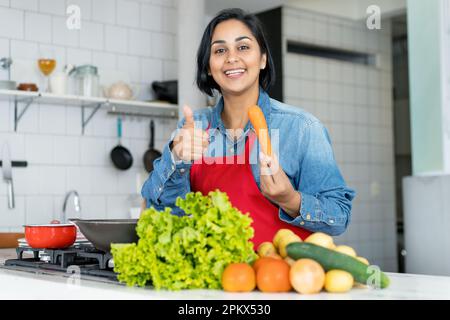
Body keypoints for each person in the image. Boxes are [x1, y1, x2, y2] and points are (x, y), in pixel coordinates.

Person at [141, 8, 355, 247]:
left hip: (281, 277)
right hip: (216, 279)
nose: (232, 57)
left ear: (262, 58)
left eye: (243, 47)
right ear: (209, 67)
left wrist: (291, 199)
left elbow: (339, 216)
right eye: (220, 50)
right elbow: (160, 210)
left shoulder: (301, 128)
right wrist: (176, 157)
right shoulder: (195, 127)